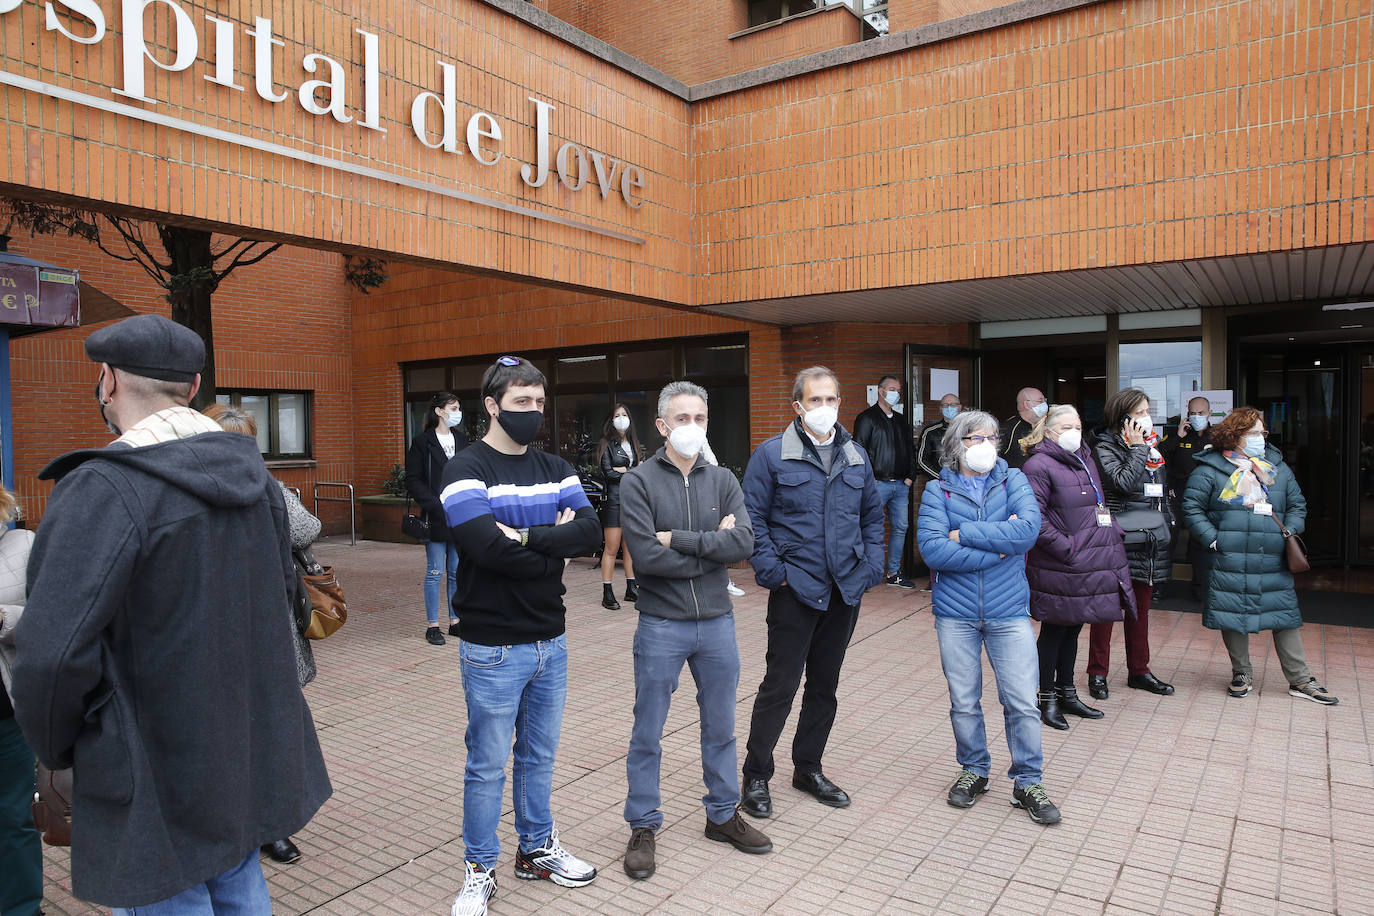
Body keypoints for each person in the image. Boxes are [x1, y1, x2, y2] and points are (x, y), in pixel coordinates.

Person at [12, 314, 331, 912]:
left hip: (147, 756)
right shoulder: (258, 482)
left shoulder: (103, 488)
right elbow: (281, 604)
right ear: (192, 388)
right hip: (240, 743)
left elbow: (51, 654)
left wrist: (60, 748)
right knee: (238, 883)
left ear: (106, 382)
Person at [440, 355, 603, 916]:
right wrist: (549, 542)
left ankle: (536, 850)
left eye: (538, 402)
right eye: (520, 403)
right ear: (491, 406)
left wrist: (526, 540)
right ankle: (479, 870)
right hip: (491, 647)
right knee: (486, 765)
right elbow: (483, 548)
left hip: (549, 641)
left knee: (538, 758)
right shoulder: (464, 469)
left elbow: (588, 535)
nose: (533, 412)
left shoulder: (556, 466)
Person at [618, 381, 770, 880]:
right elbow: (645, 558)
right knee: (648, 730)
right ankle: (643, 824)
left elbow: (743, 542)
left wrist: (681, 541)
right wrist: (711, 549)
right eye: (682, 419)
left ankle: (722, 814)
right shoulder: (638, 481)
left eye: (700, 418)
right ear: (662, 426)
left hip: (717, 626)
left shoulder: (723, 477)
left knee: (721, 727)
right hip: (662, 624)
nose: (692, 428)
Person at [739, 367, 884, 819]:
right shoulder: (770, 456)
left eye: (833, 400)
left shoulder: (856, 455)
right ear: (797, 406)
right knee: (779, 686)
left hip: (844, 590)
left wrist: (872, 567)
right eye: (816, 400)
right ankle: (756, 774)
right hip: (795, 590)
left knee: (825, 685)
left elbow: (873, 517)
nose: (826, 408)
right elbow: (751, 520)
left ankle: (808, 768)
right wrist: (774, 572)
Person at [915, 410, 1059, 825]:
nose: (987, 445)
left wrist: (968, 535)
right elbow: (934, 551)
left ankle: (1028, 780)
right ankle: (974, 770)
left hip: (1009, 609)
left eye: (993, 438)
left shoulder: (1013, 479)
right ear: (957, 444)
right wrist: (1000, 545)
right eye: (977, 438)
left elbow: (1028, 532)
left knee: (1021, 701)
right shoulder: (937, 491)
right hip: (955, 614)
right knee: (964, 701)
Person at [204, 402, 322, 865]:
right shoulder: (190, 490)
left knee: (274, 730)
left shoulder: (267, 487)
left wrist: (272, 491)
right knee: (230, 734)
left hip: (270, 629)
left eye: (243, 441)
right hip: (219, 632)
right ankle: (244, 824)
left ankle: (272, 827)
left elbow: (307, 528)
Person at [1182, 407, 1338, 705]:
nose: (1259, 438)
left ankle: (1301, 679)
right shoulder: (1209, 469)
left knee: (1285, 617)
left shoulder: (1275, 466)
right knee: (1232, 614)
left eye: (1261, 433)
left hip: (1272, 556)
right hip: (1230, 556)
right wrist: (1214, 540)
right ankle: (1241, 673)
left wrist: (1288, 532)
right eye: (1253, 433)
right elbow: (1191, 508)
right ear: (1235, 435)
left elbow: (1297, 505)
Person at [1020, 405, 1135, 730]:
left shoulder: (1084, 458)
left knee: (1074, 627)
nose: (1073, 431)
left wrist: (1110, 532)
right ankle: (1046, 699)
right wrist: (1067, 549)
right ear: (1050, 431)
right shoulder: (1038, 464)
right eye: (1066, 426)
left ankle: (1067, 692)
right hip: (1061, 563)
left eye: (1078, 424)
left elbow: (1095, 505)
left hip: (1089, 560)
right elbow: (1035, 518)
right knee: (1055, 630)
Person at [1086, 387, 1175, 699]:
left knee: (1140, 610)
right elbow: (1122, 484)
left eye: (1148, 412)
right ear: (1121, 417)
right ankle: (1098, 672)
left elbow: (1160, 490)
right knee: (1107, 610)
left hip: (1149, 536)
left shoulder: (1153, 448)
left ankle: (1140, 670)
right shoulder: (1104, 446)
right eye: (1139, 413)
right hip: (1119, 537)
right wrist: (1137, 448)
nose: (1146, 419)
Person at [0, 485, 41, 916]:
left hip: (6, 713)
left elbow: (52, 618)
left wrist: (1, 617)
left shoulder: (23, 545)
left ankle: (22, 907)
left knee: (12, 817)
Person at [406, 391, 468, 645]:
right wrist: (433, 503)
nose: (457, 412)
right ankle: (433, 625)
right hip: (435, 515)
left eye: (458, 407)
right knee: (434, 571)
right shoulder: (423, 442)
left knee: (456, 571)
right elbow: (413, 479)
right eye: (453, 408)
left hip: (460, 514)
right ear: (439, 412)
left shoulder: (462, 441)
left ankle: (455, 621)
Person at [852, 374, 918, 588]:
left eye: (898, 390)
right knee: (868, 527)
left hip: (900, 484)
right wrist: (867, 481)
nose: (896, 394)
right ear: (880, 391)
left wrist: (910, 476)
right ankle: (863, 573)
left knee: (901, 527)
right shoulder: (867, 418)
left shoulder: (901, 421)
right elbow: (858, 451)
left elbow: (910, 450)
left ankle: (893, 573)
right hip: (876, 484)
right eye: (892, 389)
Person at [1160, 396, 1214, 601]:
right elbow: (1159, 458)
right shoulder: (1177, 434)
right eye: (1193, 413)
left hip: (1205, 495)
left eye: (1201, 413)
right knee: (1169, 540)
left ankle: (1200, 589)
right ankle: (1161, 586)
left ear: (1209, 413)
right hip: (1178, 492)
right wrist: (1178, 437)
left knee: (1200, 542)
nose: (1197, 417)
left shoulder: (1217, 437)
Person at [597, 403, 641, 609]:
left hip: (632, 501)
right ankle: (607, 592)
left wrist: (626, 470)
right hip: (614, 500)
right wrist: (630, 472)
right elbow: (609, 473)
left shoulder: (634, 444)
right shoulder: (606, 444)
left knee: (630, 547)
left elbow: (640, 471)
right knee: (612, 548)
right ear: (611, 420)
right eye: (617, 415)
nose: (621, 418)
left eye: (624, 414)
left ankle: (631, 589)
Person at [999, 387, 1047, 469]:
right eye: (1040, 401)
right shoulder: (1008, 429)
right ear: (1027, 404)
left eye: (1045, 400)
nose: (1045, 404)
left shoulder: (1048, 427)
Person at [917, 393, 962, 480]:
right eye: (945, 405)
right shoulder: (930, 432)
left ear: (960, 407)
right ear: (940, 409)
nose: (949, 407)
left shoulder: (969, 431)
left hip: (965, 484)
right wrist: (941, 478)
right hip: (939, 484)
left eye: (953, 404)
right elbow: (922, 460)